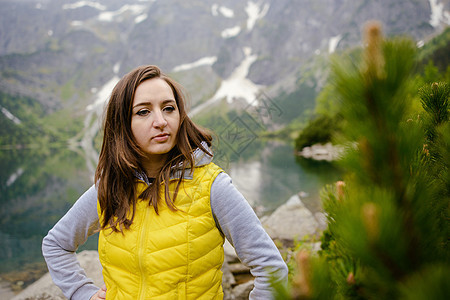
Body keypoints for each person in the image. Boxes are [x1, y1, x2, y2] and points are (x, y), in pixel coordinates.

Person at [42, 65, 288, 299]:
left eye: (168, 108)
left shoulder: (213, 187)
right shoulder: (109, 187)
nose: (160, 121)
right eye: (143, 111)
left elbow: (271, 267)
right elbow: (56, 245)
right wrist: (82, 293)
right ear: (122, 125)